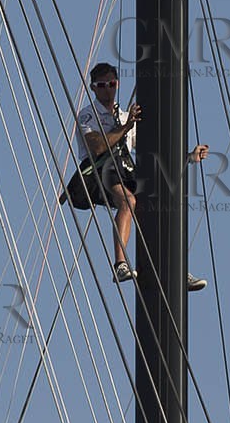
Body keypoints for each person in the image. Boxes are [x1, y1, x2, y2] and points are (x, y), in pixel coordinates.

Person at [76, 62, 210, 289]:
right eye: (102, 85)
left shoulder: (124, 116)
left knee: (160, 204)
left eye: (112, 84)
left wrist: (188, 157)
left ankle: (175, 268)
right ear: (93, 88)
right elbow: (97, 146)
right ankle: (120, 265)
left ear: (117, 84)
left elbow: (153, 153)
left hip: (125, 168)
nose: (108, 89)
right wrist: (126, 127)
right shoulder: (88, 115)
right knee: (128, 201)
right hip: (99, 170)